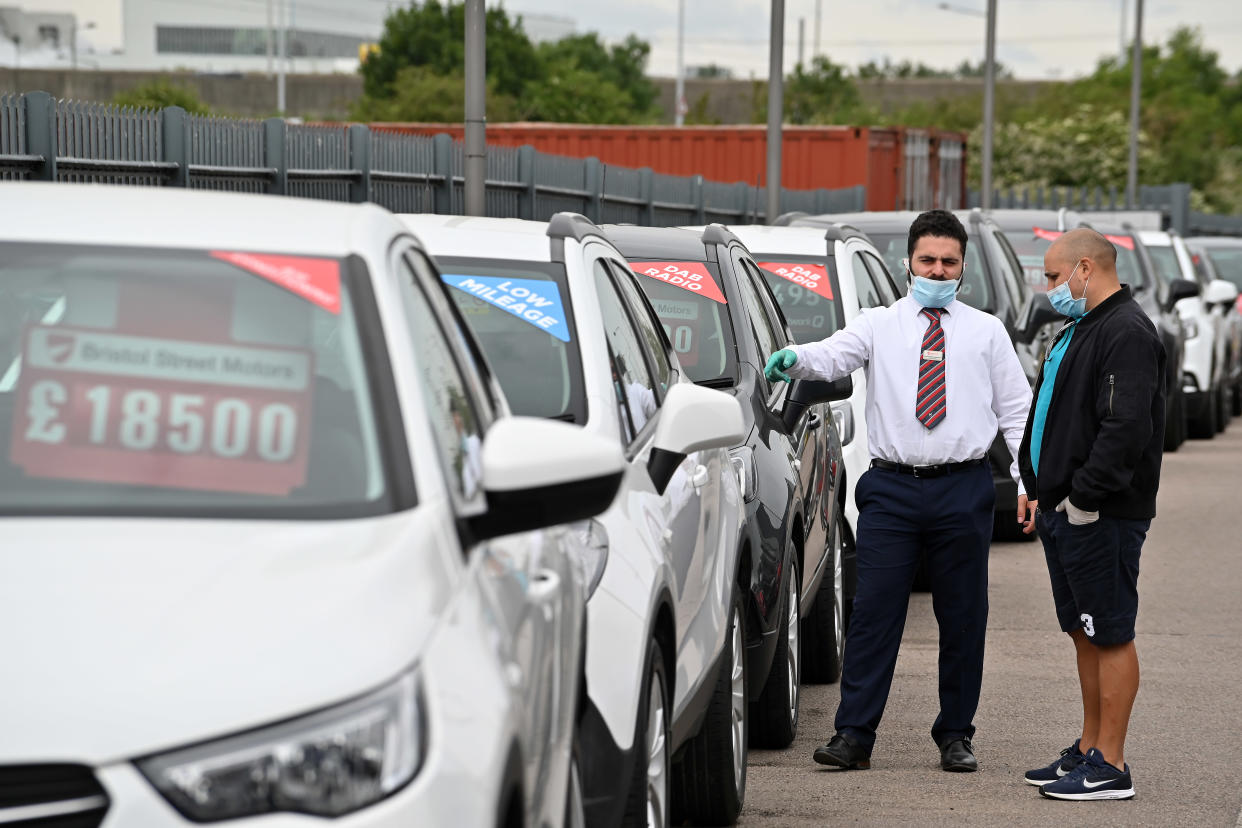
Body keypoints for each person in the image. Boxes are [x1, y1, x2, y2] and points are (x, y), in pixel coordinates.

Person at [764, 209, 1031, 773]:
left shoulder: (986, 331)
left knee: (963, 616)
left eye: (949, 262)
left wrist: (1029, 481)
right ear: (907, 262)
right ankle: (854, 735)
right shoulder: (878, 323)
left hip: (963, 487)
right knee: (874, 613)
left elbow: (1017, 413)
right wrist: (797, 360)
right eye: (928, 260)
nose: (937, 270)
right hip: (891, 489)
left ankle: (956, 733)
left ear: (963, 269)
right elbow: (835, 352)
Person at [1016, 227, 1165, 801]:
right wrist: (1035, 485)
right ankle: (1088, 747)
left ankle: (1113, 764)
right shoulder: (1080, 327)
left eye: (1054, 277)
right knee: (1084, 631)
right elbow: (1051, 409)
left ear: (1085, 267)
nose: (1050, 288)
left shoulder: (1126, 332)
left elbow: (1125, 427)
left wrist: (1084, 499)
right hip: (1064, 508)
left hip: (1100, 513)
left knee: (1111, 633)